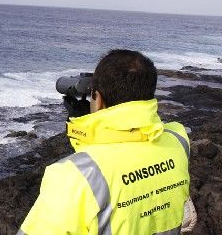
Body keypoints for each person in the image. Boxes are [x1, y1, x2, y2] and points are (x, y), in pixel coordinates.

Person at [18, 50, 190, 235]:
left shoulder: (74, 176)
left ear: (97, 99)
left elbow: (101, 164)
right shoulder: (178, 140)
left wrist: (84, 125)